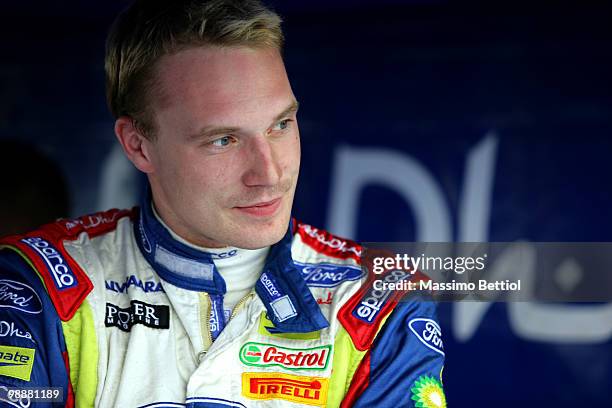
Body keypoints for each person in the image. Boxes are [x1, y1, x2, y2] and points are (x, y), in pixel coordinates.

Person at [0, 1, 445, 407]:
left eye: (281, 125)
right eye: (223, 139)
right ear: (139, 146)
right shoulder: (40, 286)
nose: (269, 174)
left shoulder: (381, 302)